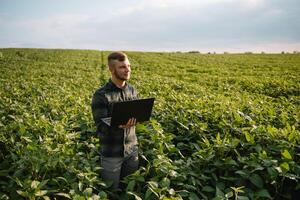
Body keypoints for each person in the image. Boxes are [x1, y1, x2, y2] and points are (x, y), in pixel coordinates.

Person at [91, 52, 139, 189]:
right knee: (111, 191)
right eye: (122, 67)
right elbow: (100, 126)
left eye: (128, 66)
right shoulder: (101, 95)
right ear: (112, 69)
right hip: (112, 154)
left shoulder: (132, 90)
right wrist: (120, 124)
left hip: (132, 150)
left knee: (129, 189)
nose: (128, 69)